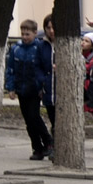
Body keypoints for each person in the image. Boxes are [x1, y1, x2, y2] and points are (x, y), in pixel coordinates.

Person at [5, 19, 53, 160]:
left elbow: (43, 69)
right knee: (28, 120)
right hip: (21, 88)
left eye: (28, 34)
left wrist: (42, 86)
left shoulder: (38, 47)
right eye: (23, 34)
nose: (25, 37)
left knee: (34, 116)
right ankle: (37, 148)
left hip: (35, 88)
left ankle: (48, 141)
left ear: (34, 33)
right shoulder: (16, 49)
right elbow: (11, 70)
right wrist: (11, 88)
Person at [38, 14, 56, 147]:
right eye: (48, 27)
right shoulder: (42, 45)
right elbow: (38, 67)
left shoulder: (67, 43)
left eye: (53, 27)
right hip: (48, 88)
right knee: (53, 119)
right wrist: (42, 83)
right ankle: (54, 145)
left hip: (62, 89)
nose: (51, 31)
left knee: (61, 122)